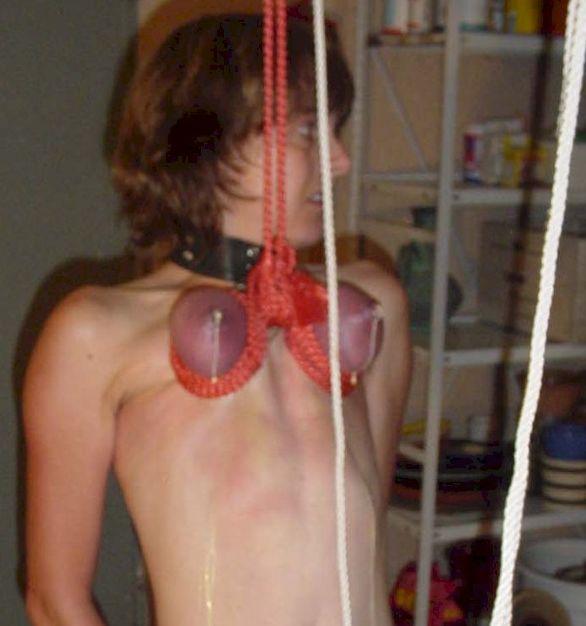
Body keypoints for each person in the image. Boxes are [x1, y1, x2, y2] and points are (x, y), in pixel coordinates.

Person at [23, 12, 412, 626]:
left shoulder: (371, 305)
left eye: (335, 129)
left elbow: (364, 543)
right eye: (307, 130)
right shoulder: (94, 334)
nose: (339, 160)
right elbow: (54, 601)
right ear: (211, 140)